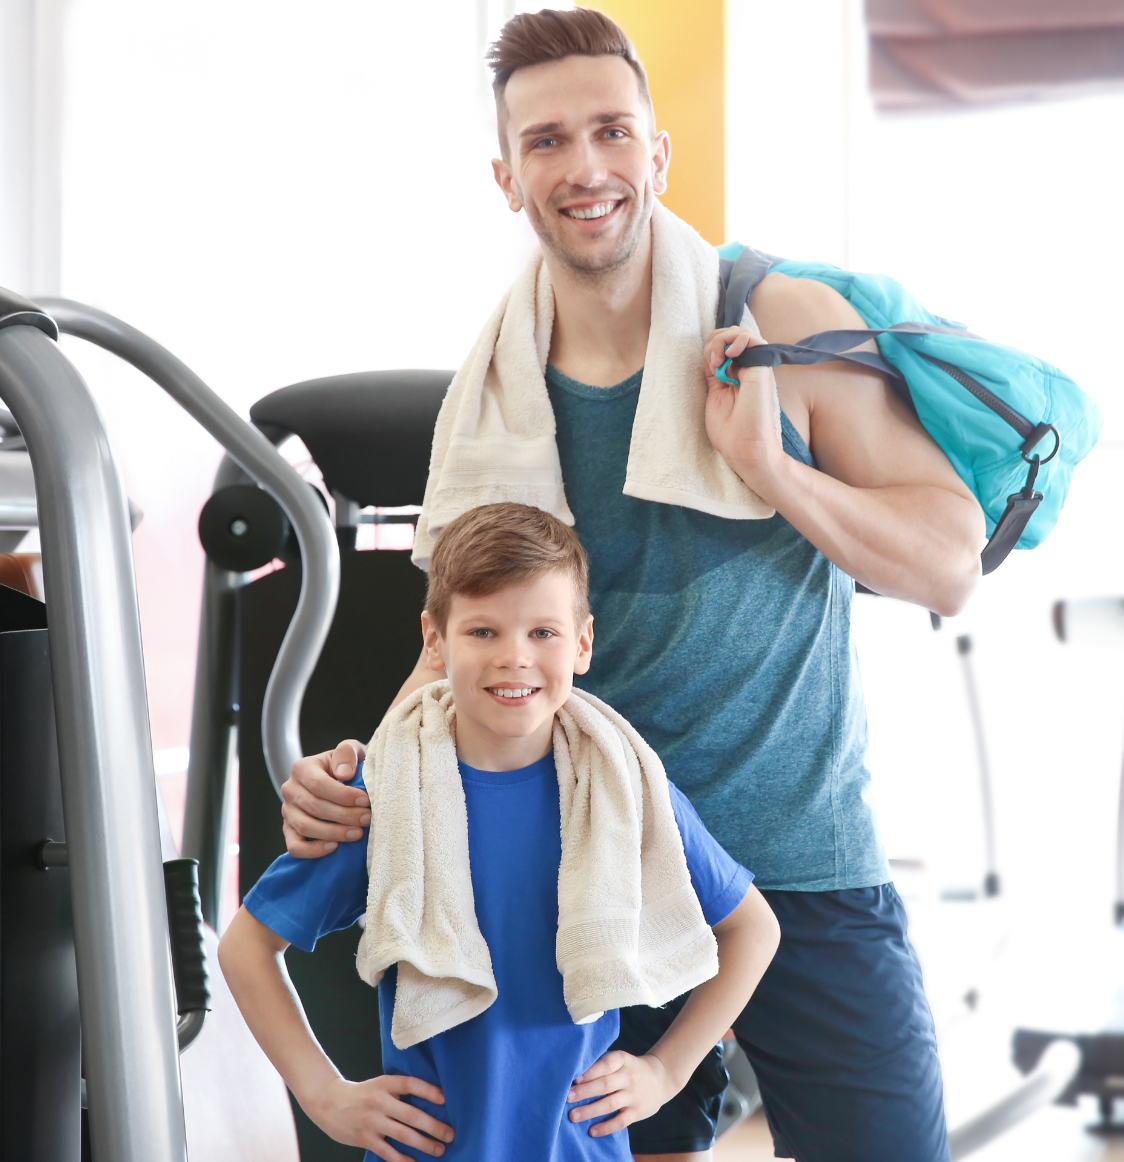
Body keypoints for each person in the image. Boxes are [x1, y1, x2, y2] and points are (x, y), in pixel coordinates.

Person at [277, 9, 986, 1162]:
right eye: (547, 142)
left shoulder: (780, 325)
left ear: (656, 154)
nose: (586, 166)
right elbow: (466, 635)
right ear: (507, 178)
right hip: (592, 877)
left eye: (612, 131)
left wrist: (769, 470)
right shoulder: (490, 386)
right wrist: (365, 771)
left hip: (795, 865)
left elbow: (947, 563)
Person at [219, 503, 780, 1162]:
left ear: (582, 643)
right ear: (435, 640)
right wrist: (324, 1097)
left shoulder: (624, 792)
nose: (515, 658)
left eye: (542, 632)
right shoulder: (390, 799)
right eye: (484, 631)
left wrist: (664, 1072)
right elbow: (246, 948)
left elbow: (753, 929)